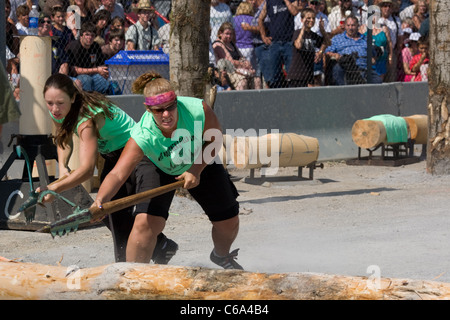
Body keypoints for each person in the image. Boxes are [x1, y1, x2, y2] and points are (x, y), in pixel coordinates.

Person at [91, 72, 243, 270]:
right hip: (157, 166)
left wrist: (195, 170)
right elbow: (117, 174)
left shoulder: (197, 109)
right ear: (148, 109)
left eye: (170, 107)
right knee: (144, 224)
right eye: (158, 110)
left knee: (228, 221)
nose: (166, 114)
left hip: (199, 158)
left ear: (176, 101)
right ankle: (132, 280)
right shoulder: (142, 134)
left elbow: (215, 138)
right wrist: (100, 200)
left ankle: (221, 257)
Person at [40, 73, 178, 264]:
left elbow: (87, 170)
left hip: (139, 153)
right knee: (108, 214)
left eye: (59, 103)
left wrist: (55, 188)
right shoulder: (59, 110)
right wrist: (62, 167)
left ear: (72, 97)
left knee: (129, 216)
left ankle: (133, 263)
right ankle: (159, 247)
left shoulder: (86, 118)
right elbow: (63, 138)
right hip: (113, 157)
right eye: (49, 103)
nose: (55, 109)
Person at [325, 15, 382, 85]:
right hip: (346, 68)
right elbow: (327, 51)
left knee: (378, 80)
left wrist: (373, 58)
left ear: (358, 26)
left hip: (364, 67)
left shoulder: (365, 39)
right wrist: (335, 54)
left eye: (353, 25)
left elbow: (374, 54)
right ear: (345, 26)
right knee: (337, 70)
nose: (350, 28)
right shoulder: (337, 39)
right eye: (348, 25)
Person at [65, 21, 119, 94]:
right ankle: (87, 101)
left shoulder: (95, 46)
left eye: (92, 35)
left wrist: (103, 71)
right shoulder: (73, 46)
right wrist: (96, 70)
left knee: (104, 82)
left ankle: (102, 101)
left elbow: (100, 63)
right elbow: (74, 70)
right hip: (75, 77)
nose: (90, 37)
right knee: (86, 79)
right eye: (87, 35)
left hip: (92, 74)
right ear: (81, 36)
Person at [258, 0, 302, 88]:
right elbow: (260, 19)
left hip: (289, 42)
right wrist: (263, 36)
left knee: (292, 74)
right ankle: (276, 97)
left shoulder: (291, 1)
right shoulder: (269, 2)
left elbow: (294, 12)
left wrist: (286, 1)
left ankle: (293, 96)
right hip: (275, 43)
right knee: (274, 74)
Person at [287, 7, 329, 87]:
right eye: (308, 18)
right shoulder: (297, 33)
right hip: (296, 75)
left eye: (313, 18)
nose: (311, 20)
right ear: (302, 20)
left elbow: (327, 42)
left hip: (309, 74)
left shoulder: (313, 35)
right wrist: (303, 28)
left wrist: (322, 30)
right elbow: (298, 45)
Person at [213, 22, 255, 90]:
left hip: (239, 68)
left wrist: (247, 64)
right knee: (243, 82)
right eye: (227, 34)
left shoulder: (232, 44)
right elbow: (231, 62)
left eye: (231, 34)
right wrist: (244, 65)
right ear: (221, 33)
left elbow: (241, 56)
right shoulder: (218, 44)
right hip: (229, 71)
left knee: (256, 79)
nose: (229, 36)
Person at [359, 13, 393, 81]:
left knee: (379, 81)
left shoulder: (384, 28)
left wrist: (390, 56)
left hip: (381, 59)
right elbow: (359, 42)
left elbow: (389, 43)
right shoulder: (363, 28)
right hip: (368, 59)